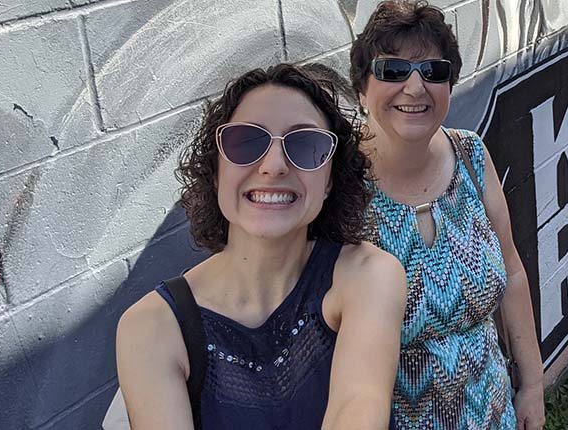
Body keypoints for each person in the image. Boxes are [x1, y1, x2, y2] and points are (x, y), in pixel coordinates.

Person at [115, 63, 406, 430]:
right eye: (246, 142)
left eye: (307, 145)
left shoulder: (368, 276)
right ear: (216, 169)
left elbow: (359, 407)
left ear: (330, 180)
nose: (273, 166)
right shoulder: (151, 327)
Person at [350, 0, 546, 430]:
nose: (415, 87)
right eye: (393, 71)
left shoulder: (471, 155)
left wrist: (531, 386)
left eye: (433, 72)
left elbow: (511, 271)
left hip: (494, 415)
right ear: (362, 90)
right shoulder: (339, 187)